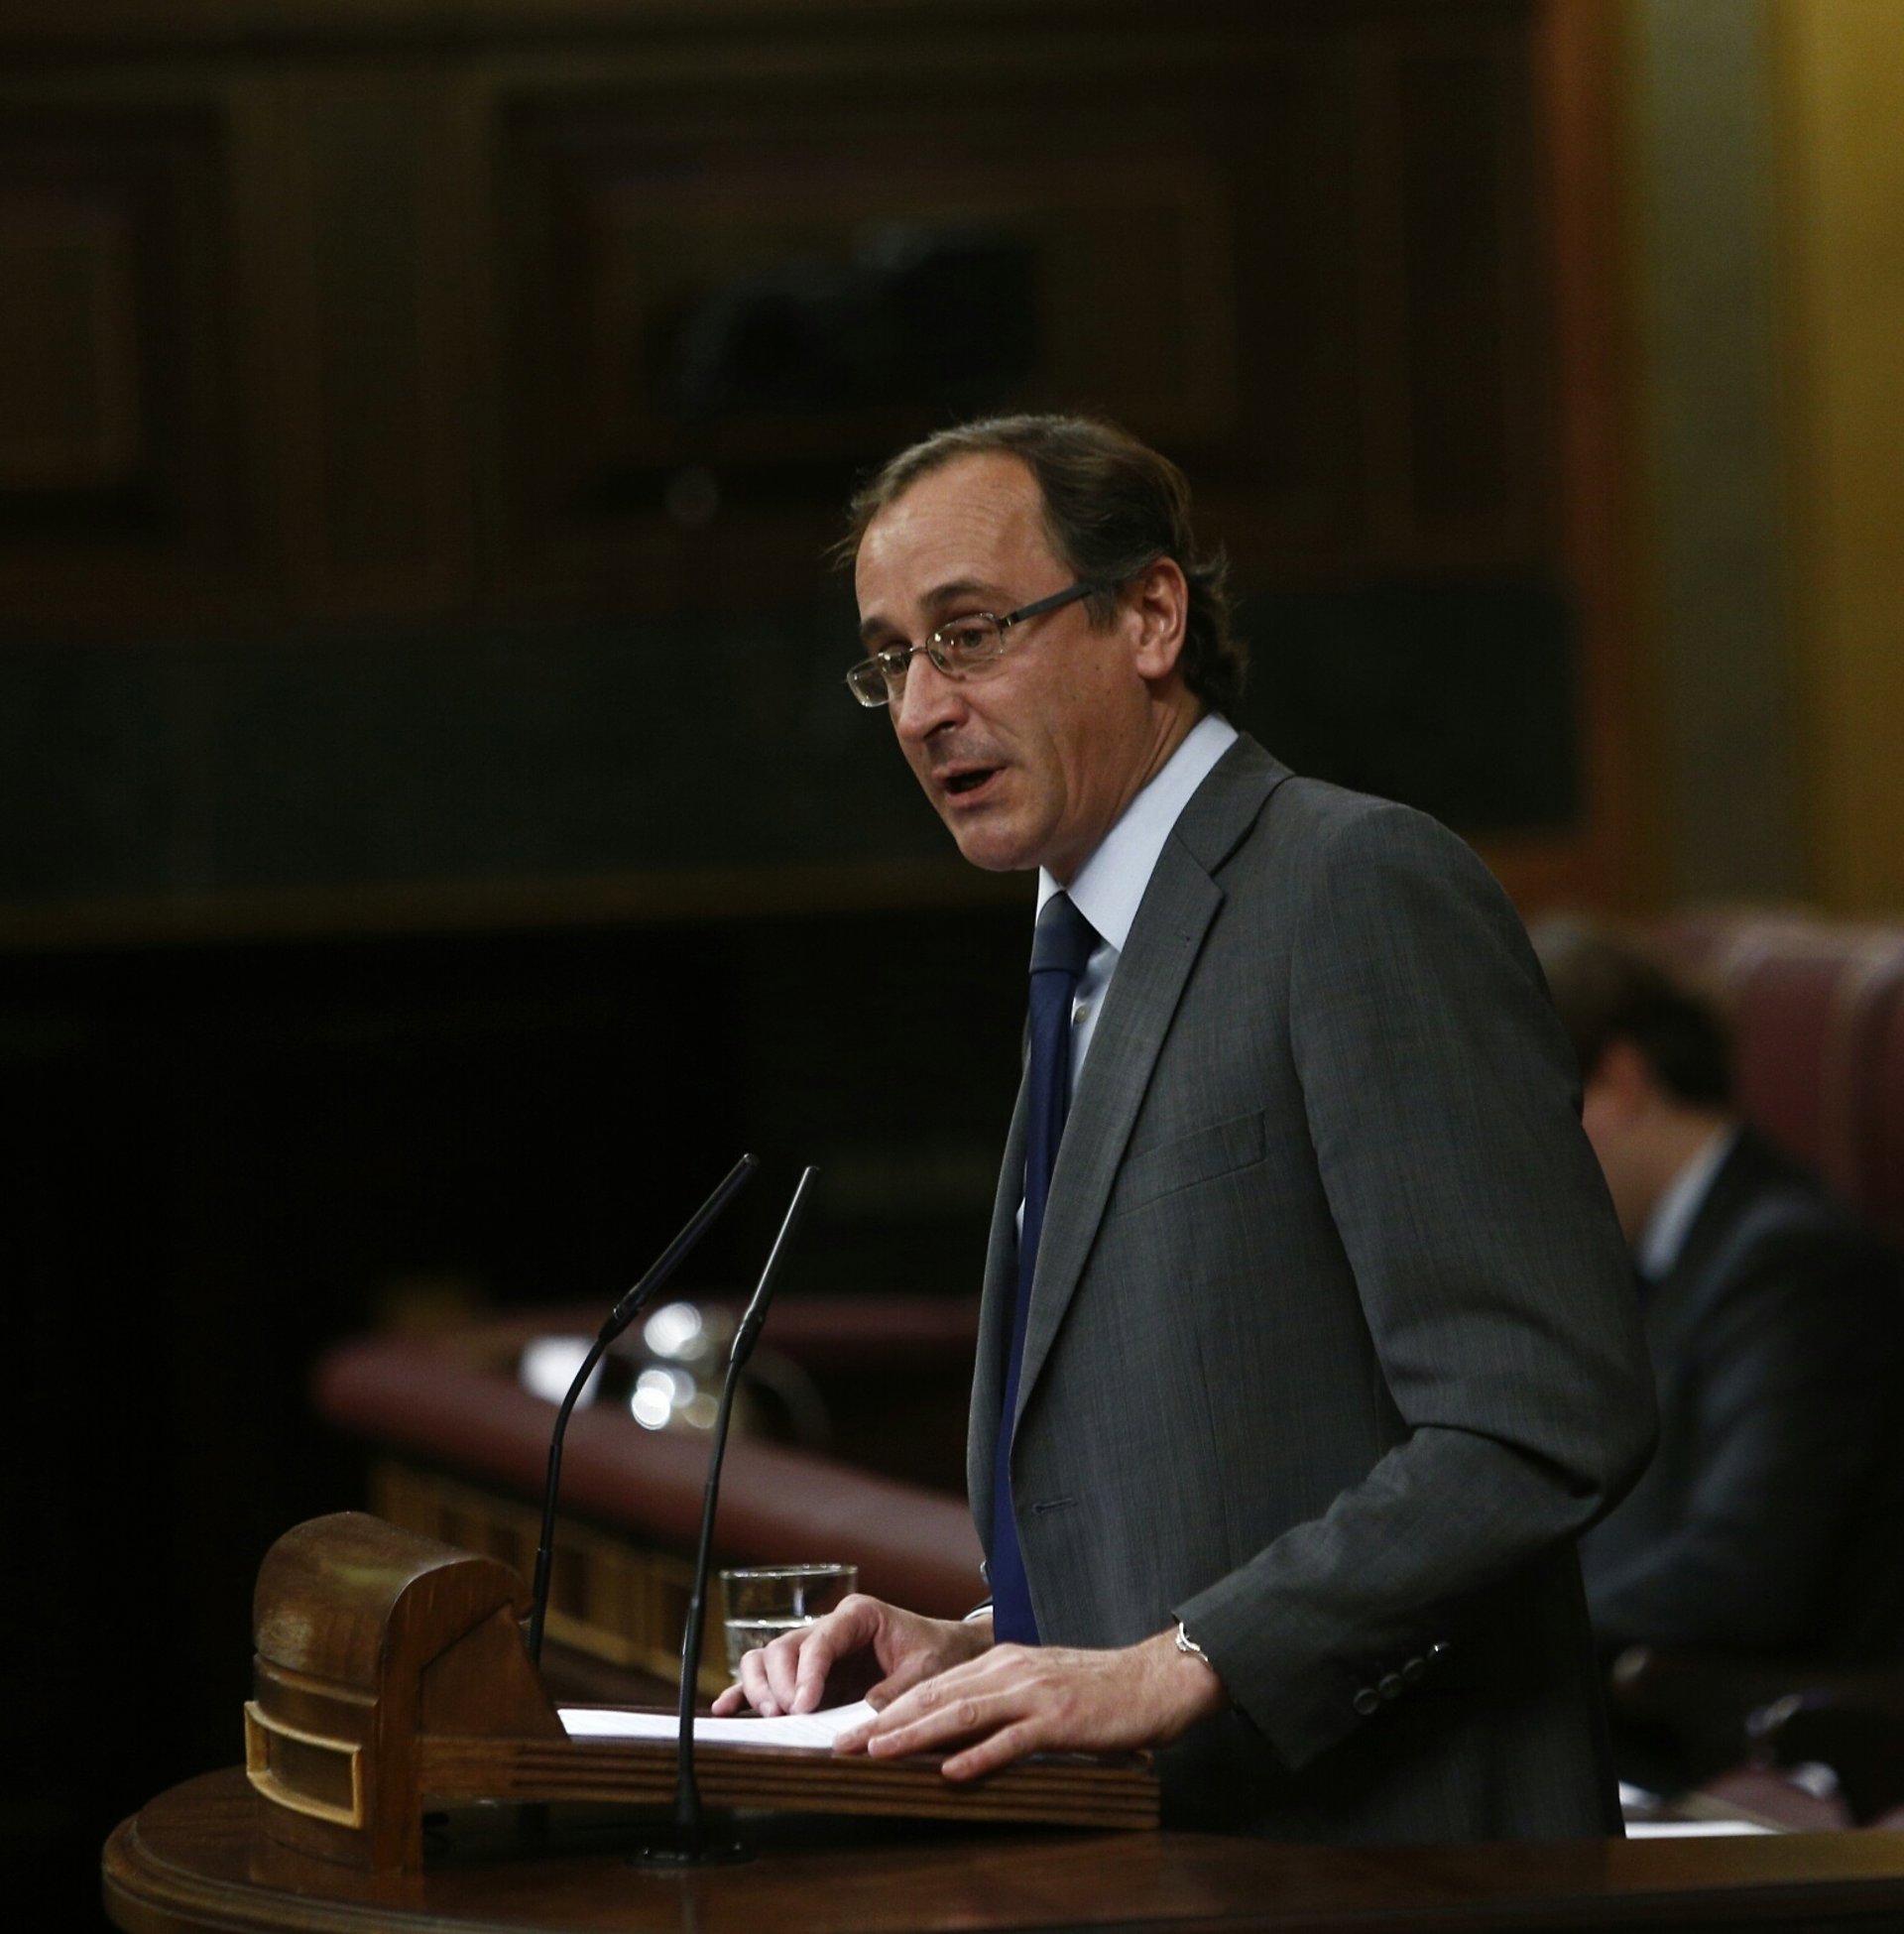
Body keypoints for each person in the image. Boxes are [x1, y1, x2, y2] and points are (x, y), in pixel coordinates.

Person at [714, 414, 1656, 1842]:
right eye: (892, 659)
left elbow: (1541, 1415)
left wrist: (1179, 1666)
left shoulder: (1352, 888)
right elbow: (1221, 1464)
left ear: (1150, 615)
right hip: (1173, 1856)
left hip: (1393, 1862)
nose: (919, 709)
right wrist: (987, 1644)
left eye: (969, 634)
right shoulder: (1084, 951)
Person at [1531, 917, 1904, 1665]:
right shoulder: (1640, 1259)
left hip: (1733, 1707)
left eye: (1526, 1121)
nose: (1516, 1169)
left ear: (1620, 1083)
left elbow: (1742, 1573)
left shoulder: (1795, 1263)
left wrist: (1492, 1651)